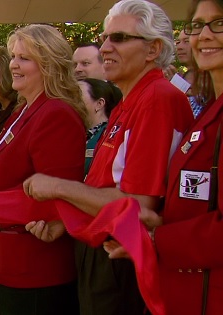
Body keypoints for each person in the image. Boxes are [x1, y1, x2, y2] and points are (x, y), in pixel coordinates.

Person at [22, 1, 194, 314]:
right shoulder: (132, 97)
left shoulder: (156, 99)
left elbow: (137, 206)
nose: (104, 48)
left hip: (119, 259)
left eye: (118, 38)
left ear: (153, 49)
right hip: (103, 252)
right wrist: (69, 220)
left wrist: (58, 187)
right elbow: (108, 182)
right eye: (104, 38)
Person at [0, 25, 87, 315]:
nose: (14, 64)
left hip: (34, 267)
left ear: (49, 64)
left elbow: (57, 197)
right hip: (8, 261)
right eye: (13, 56)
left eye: (25, 58)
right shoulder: (25, 110)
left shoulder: (56, 113)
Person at [114, 1, 222, 313]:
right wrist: (162, 221)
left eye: (218, 23)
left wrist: (158, 238)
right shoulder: (210, 111)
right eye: (197, 25)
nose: (204, 34)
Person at [80, 78, 122, 175]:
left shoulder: (112, 135)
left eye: (77, 95)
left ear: (99, 104)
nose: (71, 100)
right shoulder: (75, 134)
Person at [177, 29, 206, 117]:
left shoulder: (211, 78)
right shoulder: (180, 74)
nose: (179, 47)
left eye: (186, 41)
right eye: (178, 42)